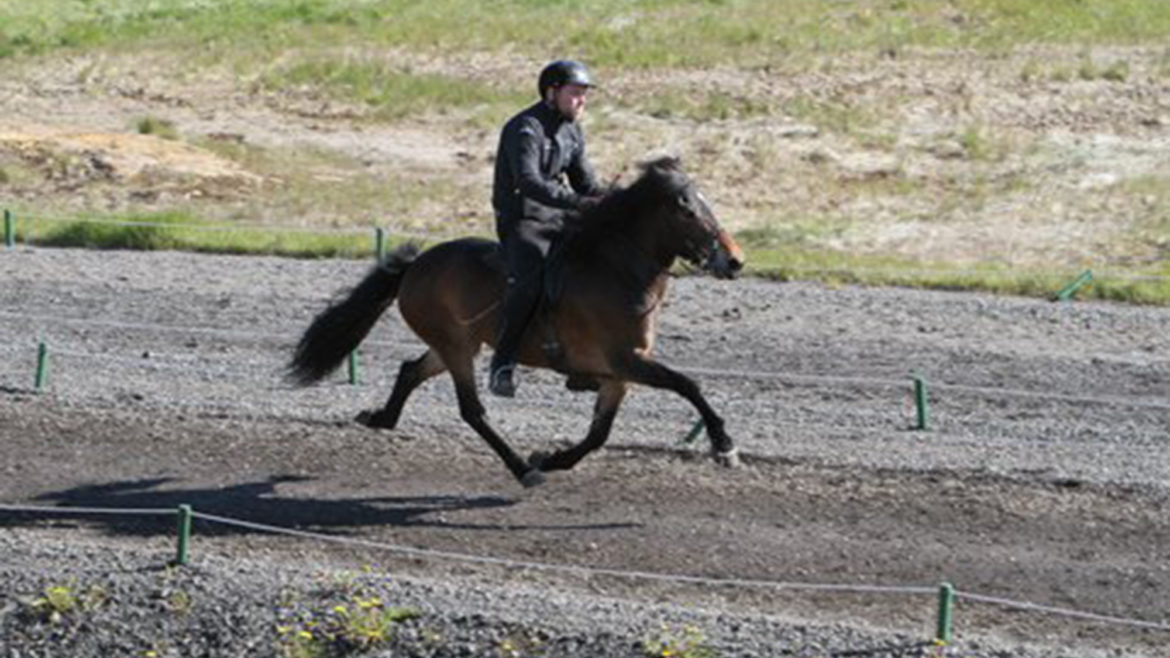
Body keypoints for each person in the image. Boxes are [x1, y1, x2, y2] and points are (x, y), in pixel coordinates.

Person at [488, 59, 605, 397]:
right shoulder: (524, 128)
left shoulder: (572, 130)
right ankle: (503, 361)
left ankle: (582, 360)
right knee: (530, 278)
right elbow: (529, 183)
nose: (582, 101)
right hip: (523, 220)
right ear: (552, 92)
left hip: (559, 218)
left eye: (585, 95)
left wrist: (618, 198)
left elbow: (586, 183)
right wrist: (578, 203)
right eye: (576, 94)